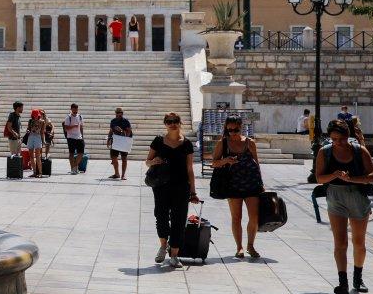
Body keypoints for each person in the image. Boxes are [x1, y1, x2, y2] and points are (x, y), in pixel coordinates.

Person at [315, 119, 373, 294]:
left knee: (358, 242)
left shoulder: (360, 150)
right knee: (340, 242)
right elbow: (319, 178)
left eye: (341, 139)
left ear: (348, 136)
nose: (338, 143)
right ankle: (342, 282)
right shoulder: (325, 152)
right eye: (334, 139)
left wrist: (352, 179)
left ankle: (358, 277)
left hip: (357, 196)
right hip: (336, 197)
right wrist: (335, 175)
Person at [145, 113, 199, 268]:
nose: (172, 124)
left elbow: (190, 169)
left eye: (175, 121)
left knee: (179, 220)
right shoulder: (158, 141)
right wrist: (153, 162)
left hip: (181, 186)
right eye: (169, 121)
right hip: (161, 186)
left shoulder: (186, 144)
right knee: (161, 216)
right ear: (165, 124)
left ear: (180, 123)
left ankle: (174, 255)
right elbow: (147, 161)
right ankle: (163, 246)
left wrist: (193, 192)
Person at [210, 114, 264, 259]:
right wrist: (226, 160)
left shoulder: (250, 143)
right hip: (233, 184)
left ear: (241, 128)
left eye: (236, 130)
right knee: (236, 217)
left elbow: (256, 163)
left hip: (252, 183)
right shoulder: (223, 143)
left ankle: (250, 245)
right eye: (230, 130)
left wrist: (261, 183)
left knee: (254, 217)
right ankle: (239, 247)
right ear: (226, 129)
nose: (233, 133)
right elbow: (214, 163)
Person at [106, 108, 133, 180]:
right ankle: (117, 173)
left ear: (122, 113)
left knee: (124, 158)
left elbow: (129, 132)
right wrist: (108, 139)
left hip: (124, 141)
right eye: (117, 113)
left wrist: (121, 131)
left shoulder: (125, 121)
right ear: (115, 113)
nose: (119, 114)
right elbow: (111, 131)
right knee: (113, 157)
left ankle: (123, 175)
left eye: (120, 113)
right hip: (115, 141)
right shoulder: (113, 121)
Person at [63, 103, 85, 175]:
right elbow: (66, 128)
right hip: (71, 137)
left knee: (81, 153)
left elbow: (81, 127)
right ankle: (73, 169)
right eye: (74, 109)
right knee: (71, 153)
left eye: (76, 109)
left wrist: (82, 136)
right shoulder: (68, 117)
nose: (75, 110)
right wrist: (73, 126)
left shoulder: (80, 116)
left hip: (79, 137)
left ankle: (75, 165)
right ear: (71, 109)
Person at [25, 109, 46, 178]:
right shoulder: (30, 121)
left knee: (37, 156)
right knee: (31, 156)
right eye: (34, 115)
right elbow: (28, 128)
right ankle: (34, 172)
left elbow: (42, 132)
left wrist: (43, 141)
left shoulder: (42, 121)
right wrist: (28, 130)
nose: (35, 116)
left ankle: (40, 173)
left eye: (36, 115)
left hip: (38, 138)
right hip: (30, 137)